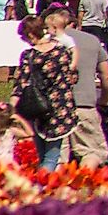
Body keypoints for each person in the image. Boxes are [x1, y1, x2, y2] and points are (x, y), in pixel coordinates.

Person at [12, 14, 77, 171]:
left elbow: (20, 84)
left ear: (31, 35)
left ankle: (41, 186)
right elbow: (73, 76)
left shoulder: (30, 56)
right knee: (52, 155)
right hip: (61, 109)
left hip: (38, 109)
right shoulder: (62, 51)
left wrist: (11, 107)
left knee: (45, 156)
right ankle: (46, 185)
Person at [59, 8, 108, 168]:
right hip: (84, 104)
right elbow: (106, 76)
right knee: (92, 152)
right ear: (74, 23)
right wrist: (103, 101)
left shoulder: (49, 41)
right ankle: (86, 180)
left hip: (57, 108)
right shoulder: (92, 41)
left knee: (58, 157)